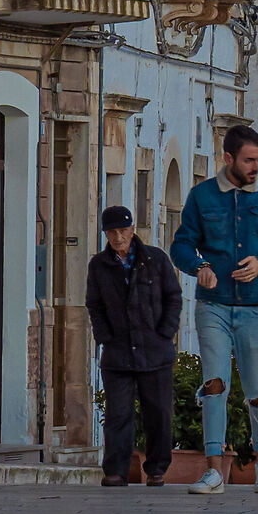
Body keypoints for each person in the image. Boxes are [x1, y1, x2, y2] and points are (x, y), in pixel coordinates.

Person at [171, 124, 258, 496]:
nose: (255, 166)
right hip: (214, 306)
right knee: (214, 384)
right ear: (228, 158)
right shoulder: (202, 197)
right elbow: (181, 245)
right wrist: (201, 268)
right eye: (249, 160)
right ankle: (213, 469)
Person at [85, 204, 180, 488]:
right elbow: (95, 305)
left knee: (159, 413)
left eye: (122, 231)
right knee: (117, 414)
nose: (118, 237)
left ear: (132, 230)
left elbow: (173, 298)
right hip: (118, 354)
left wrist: (164, 333)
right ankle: (116, 470)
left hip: (155, 351)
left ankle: (156, 469)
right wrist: (104, 337)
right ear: (105, 234)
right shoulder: (99, 266)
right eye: (112, 232)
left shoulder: (156, 260)